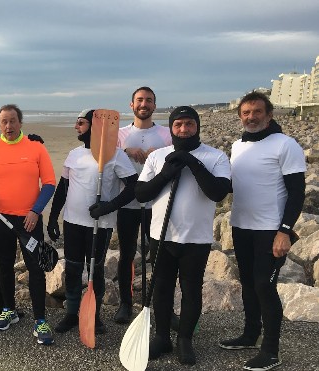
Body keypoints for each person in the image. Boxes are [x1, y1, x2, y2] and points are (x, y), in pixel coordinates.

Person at [135, 106, 231, 365]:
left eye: (189, 124)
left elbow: (218, 192)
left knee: (191, 291)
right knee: (162, 290)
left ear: (197, 126)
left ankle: (185, 340)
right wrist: (167, 174)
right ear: (171, 128)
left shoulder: (215, 156)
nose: (184, 129)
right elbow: (142, 194)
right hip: (161, 236)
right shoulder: (158, 157)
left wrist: (192, 162)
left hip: (196, 239)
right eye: (178, 125)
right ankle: (163, 337)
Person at [220, 92, 306, 371]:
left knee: (263, 286)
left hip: (270, 230)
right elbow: (233, 186)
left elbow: (296, 192)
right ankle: (249, 334)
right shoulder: (238, 146)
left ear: (269, 116)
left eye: (257, 112)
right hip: (241, 227)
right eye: (245, 112)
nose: (251, 117)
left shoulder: (285, 145)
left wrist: (284, 231)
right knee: (248, 283)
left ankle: (271, 351)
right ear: (240, 116)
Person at [47, 109, 137, 334]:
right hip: (72, 221)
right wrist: (52, 218)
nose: (76, 127)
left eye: (81, 123)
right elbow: (62, 189)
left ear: (96, 126)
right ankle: (71, 313)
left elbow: (133, 187)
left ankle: (94, 317)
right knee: (74, 268)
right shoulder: (74, 154)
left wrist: (109, 206)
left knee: (95, 270)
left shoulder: (115, 155)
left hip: (101, 224)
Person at [0, 104, 57, 345]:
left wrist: (35, 211)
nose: (9, 126)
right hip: (1, 219)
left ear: (20, 122)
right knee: (4, 264)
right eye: (4, 122)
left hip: (29, 220)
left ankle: (40, 319)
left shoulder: (35, 149)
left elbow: (50, 183)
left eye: (13, 121)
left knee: (35, 267)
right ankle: (8, 310)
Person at [114, 86, 172, 324]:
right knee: (126, 253)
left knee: (159, 255)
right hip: (127, 203)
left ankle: (160, 304)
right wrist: (127, 150)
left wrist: (160, 153)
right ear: (131, 105)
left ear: (154, 106)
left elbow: (179, 153)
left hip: (157, 204)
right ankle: (125, 304)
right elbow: (106, 154)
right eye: (139, 100)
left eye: (148, 100)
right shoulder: (120, 134)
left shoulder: (166, 134)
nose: (144, 104)